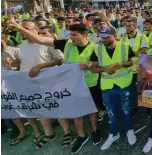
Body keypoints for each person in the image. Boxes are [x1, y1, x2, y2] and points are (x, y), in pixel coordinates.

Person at [9, 22, 104, 154]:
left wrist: (88, 65)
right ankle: (82, 136)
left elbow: (97, 64)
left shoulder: (95, 47)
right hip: (71, 85)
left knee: (92, 110)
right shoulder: (66, 44)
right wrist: (18, 27)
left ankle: (94, 130)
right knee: (77, 112)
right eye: (70, 34)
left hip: (90, 84)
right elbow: (41, 40)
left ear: (85, 35)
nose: (71, 37)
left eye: (75, 35)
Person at [6, 20, 64, 150]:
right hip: (28, 83)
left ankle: (65, 132)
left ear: (36, 30)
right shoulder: (23, 44)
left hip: (46, 82)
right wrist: (14, 63)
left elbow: (60, 60)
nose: (22, 31)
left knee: (54, 107)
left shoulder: (46, 42)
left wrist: (40, 66)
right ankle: (49, 133)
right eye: (22, 28)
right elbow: (21, 62)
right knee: (38, 108)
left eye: (26, 28)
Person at [90, 26, 137, 150]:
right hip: (107, 86)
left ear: (114, 35)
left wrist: (121, 64)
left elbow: (132, 61)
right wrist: (105, 69)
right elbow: (93, 68)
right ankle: (113, 134)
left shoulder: (125, 46)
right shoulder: (97, 48)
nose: (104, 39)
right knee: (111, 113)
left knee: (126, 110)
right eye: (102, 37)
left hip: (124, 84)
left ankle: (129, 130)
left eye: (106, 37)